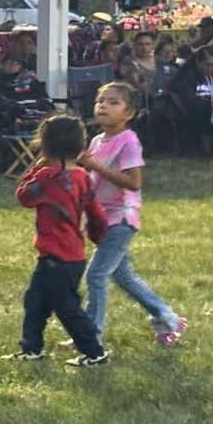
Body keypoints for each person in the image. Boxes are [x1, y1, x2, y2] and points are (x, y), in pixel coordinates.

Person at [77, 82, 188, 346]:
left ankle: (91, 336)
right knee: (123, 276)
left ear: (129, 114)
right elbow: (93, 180)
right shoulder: (95, 141)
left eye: (113, 102)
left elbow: (134, 182)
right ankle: (167, 317)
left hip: (122, 218)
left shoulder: (128, 140)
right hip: (103, 219)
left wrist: (94, 165)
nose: (103, 106)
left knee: (96, 275)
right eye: (100, 101)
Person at [7, 113, 109, 367]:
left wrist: (36, 168)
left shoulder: (46, 177)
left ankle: (94, 352)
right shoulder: (82, 177)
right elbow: (95, 211)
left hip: (55, 256)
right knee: (35, 301)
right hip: (73, 254)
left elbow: (23, 197)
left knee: (67, 308)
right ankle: (31, 348)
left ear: (44, 144)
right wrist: (98, 235)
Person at [168, 46, 213, 156]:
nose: (210, 68)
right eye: (206, 65)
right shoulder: (188, 76)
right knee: (205, 111)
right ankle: (207, 150)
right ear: (198, 62)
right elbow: (189, 101)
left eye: (212, 64)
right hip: (193, 114)